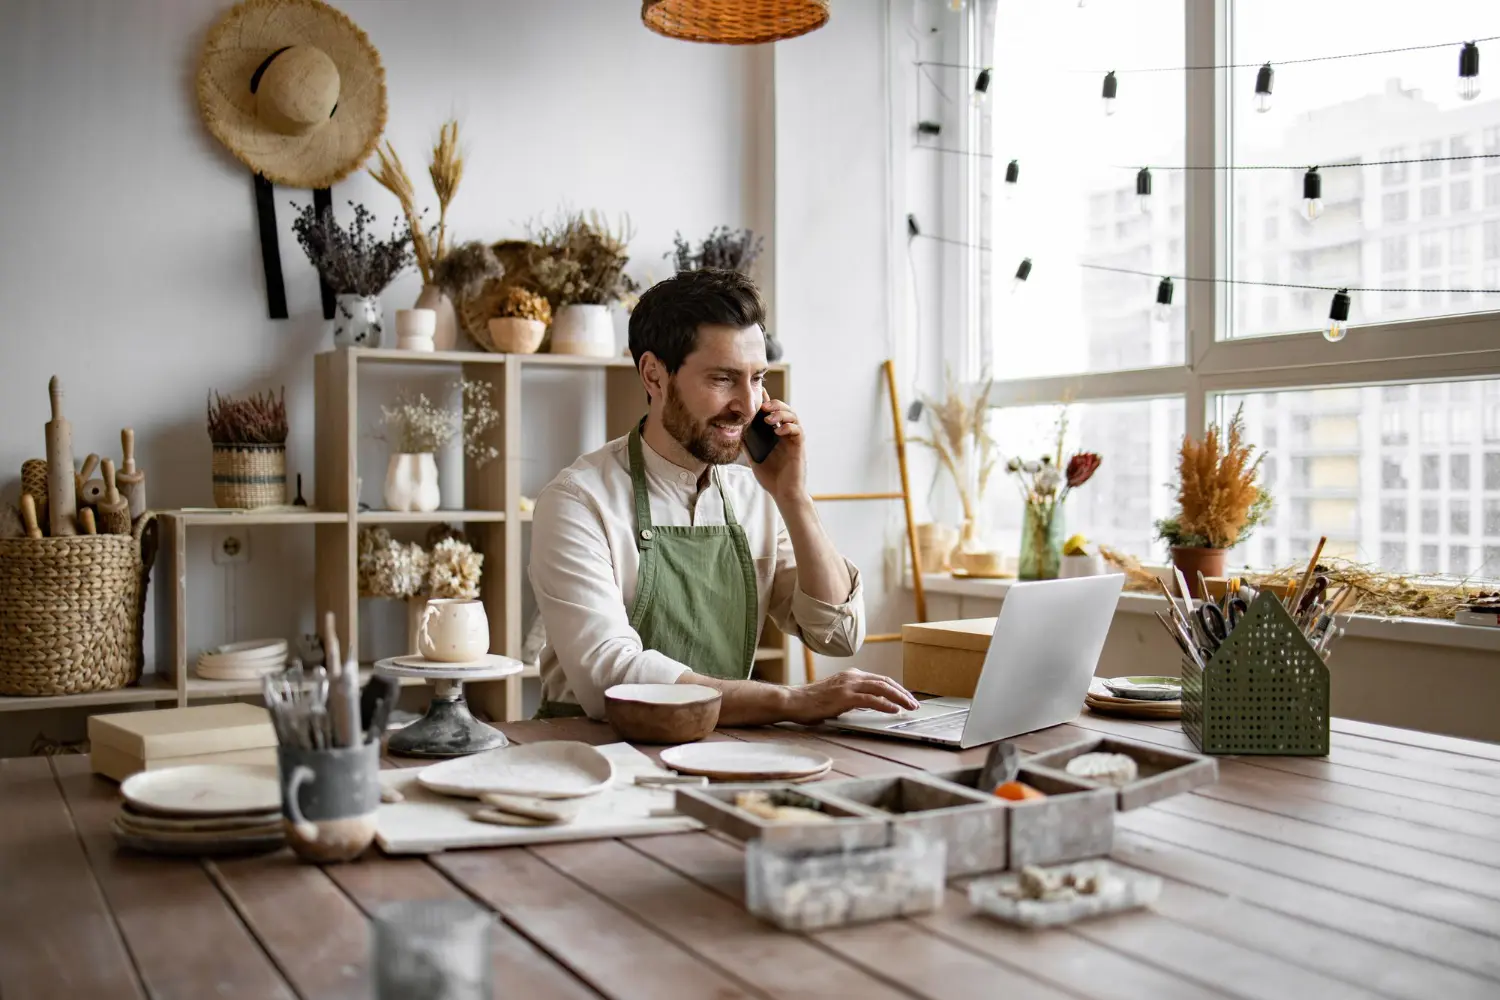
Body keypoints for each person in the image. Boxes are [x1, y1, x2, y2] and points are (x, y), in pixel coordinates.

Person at [528, 268, 921, 725]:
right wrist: (793, 701)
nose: (748, 404)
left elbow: (837, 634)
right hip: (596, 758)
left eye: (757, 379)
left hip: (722, 751)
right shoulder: (578, 501)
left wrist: (794, 497)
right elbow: (610, 679)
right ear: (654, 376)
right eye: (723, 379)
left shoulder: (757, 496)